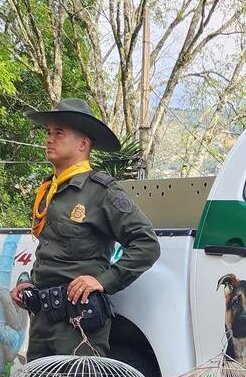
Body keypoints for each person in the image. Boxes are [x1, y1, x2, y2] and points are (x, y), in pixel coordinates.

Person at [12, 98, 160, 359]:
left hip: (78, 324)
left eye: (59, 133)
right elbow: (56, 251)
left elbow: (146, 244)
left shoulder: (100, 192)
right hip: (42, 322)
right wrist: (31, 284)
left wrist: (103, 281)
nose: (49, 139)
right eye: (48, 133)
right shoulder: (49, 191)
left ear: (83, 143)